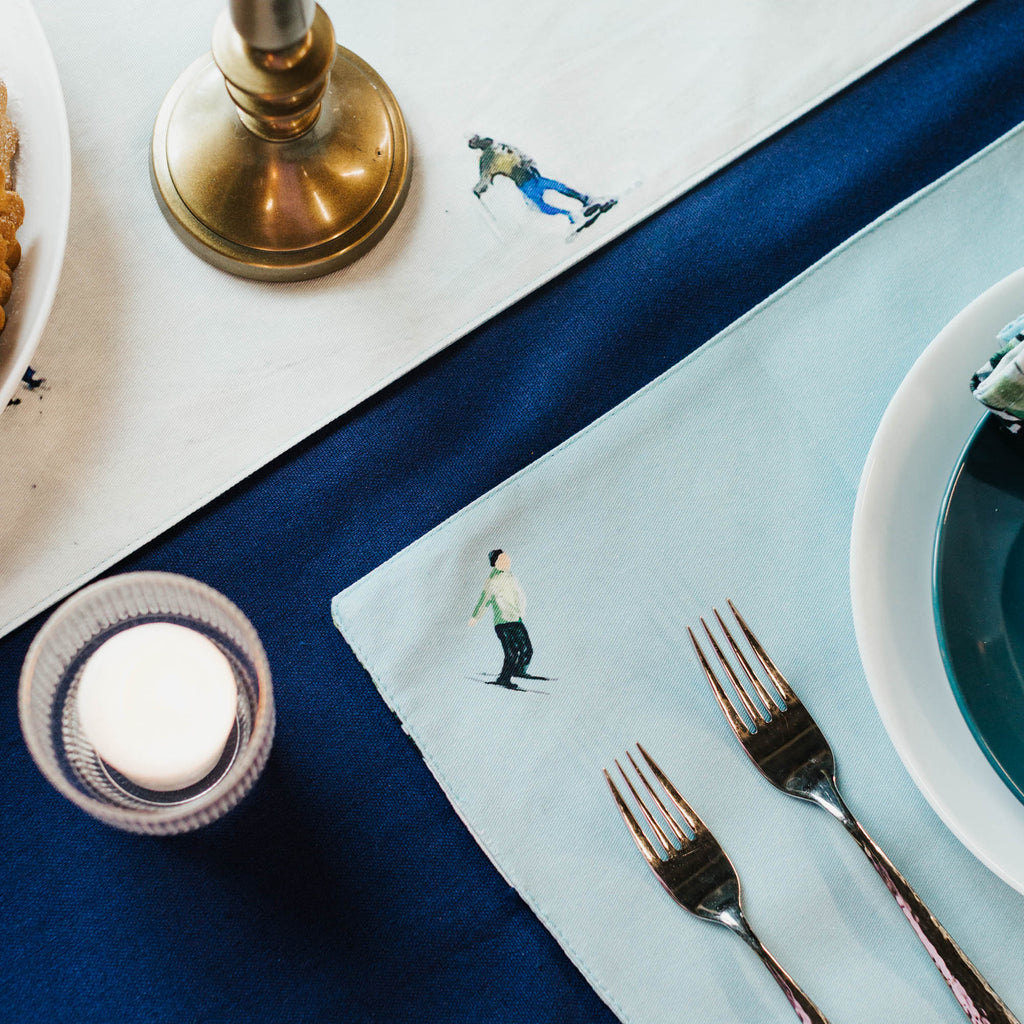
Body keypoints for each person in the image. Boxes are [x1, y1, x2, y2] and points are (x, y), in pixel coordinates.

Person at [468, 135, 615, 229]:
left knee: (545, 200)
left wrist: (479, 189)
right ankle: (576, 208)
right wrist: (479, 188)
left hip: (528, 179)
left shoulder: (493, 152)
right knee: (553, 192)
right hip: (528, 178)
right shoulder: (495, 150)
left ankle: (575, 210)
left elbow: (485, 179)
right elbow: (486, 178)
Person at [468, 549, 534, 687]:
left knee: (527, 649)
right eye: (502, 559)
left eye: (507, 558)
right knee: (511, 654)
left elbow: (519, 595)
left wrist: (521, 611)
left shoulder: (511, 577)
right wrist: (475, 617)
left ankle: (519, 670)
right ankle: (504, 679)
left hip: (516, 619)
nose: (507, 561)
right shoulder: (492, 581)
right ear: (495, 563)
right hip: (502, 623)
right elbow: (484, 600)